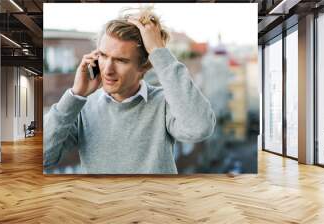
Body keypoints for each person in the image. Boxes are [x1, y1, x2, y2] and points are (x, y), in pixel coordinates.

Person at [44, 7, 216, 174]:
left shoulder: (164, 104)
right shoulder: (81, 107)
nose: (107, 70)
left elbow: (199, 127)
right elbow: (43, 157)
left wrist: (159, 53)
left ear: (144, 66)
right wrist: (75, 95)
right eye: (103, 56)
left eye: (121, 60)